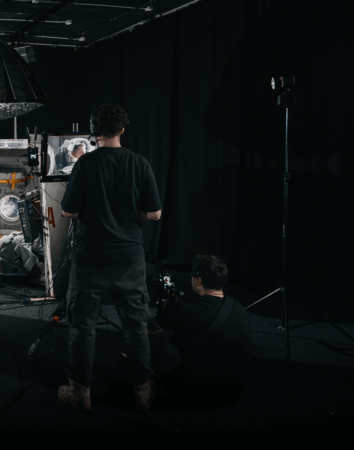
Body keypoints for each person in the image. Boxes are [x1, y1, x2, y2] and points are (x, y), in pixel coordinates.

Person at [58, 104, 162, 411]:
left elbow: (68, 211)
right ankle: (143, 393)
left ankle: (80, 394)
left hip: (91, 260)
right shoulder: (140, 163)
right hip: (129, 260)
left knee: (82, 326)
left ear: (94, 133)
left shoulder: (85, 165)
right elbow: (155, 214)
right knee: (136, 326)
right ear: (123, 129)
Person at [147, 255, 252, 408]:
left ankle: (143, 378)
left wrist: (166, 308)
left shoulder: (183, 307)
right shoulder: (239, 308)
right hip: (233, 394)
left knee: (155, 336)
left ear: (198, 280)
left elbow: (150, 330)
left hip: (194, 394)